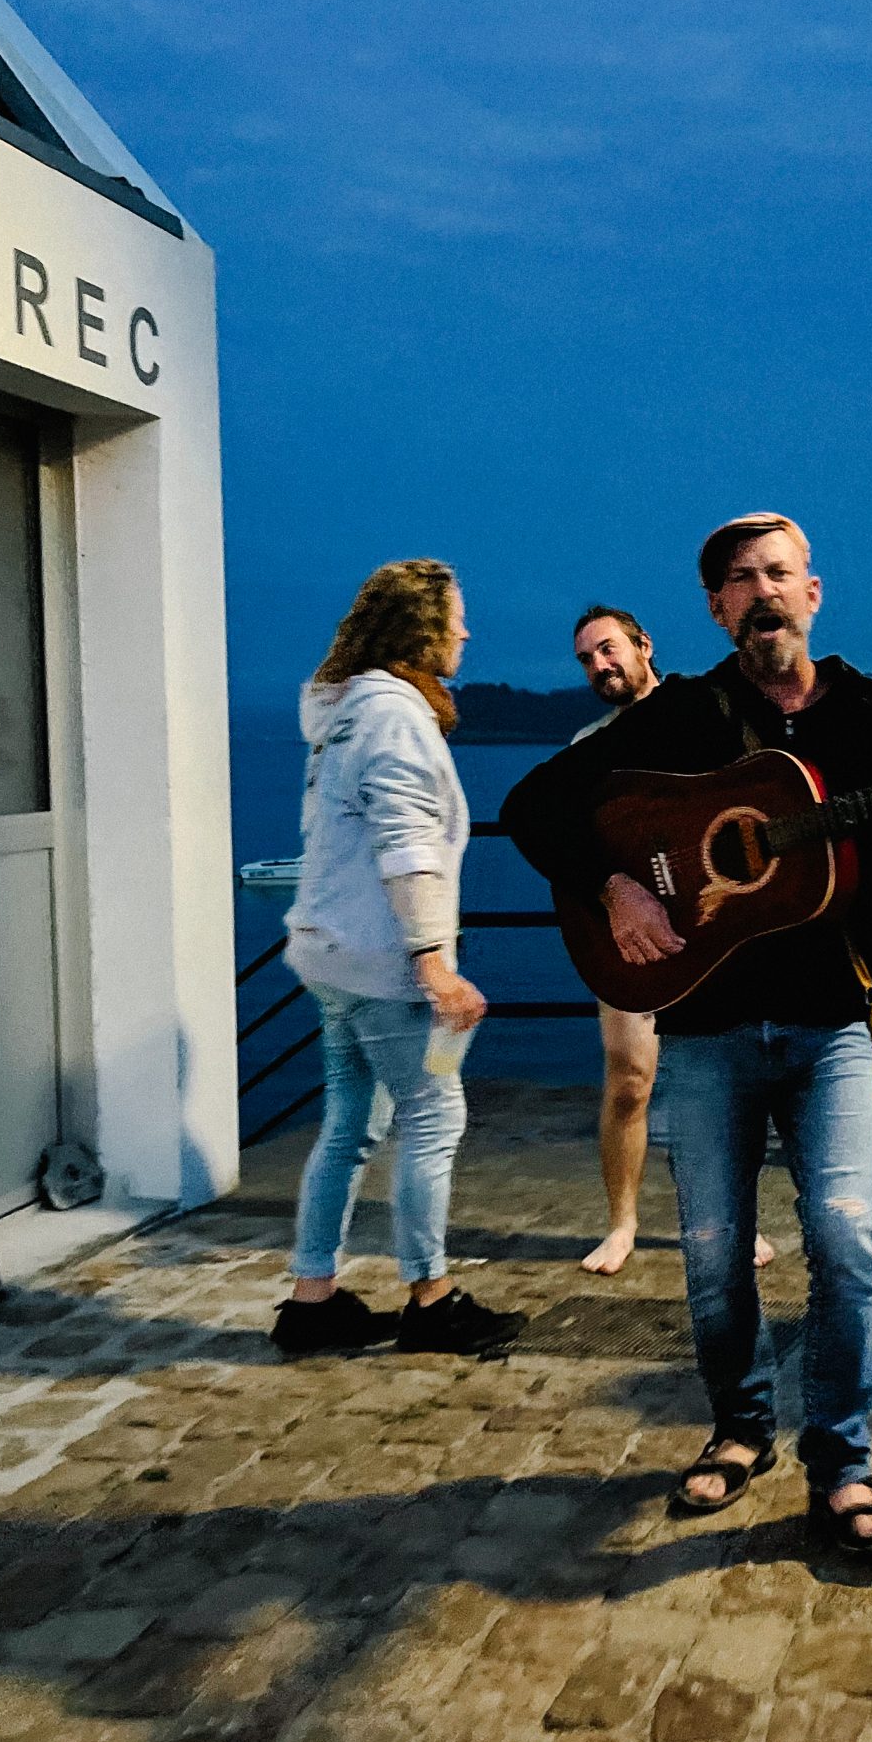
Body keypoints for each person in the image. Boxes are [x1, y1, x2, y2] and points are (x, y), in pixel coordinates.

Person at [502, 513, 872, 1548]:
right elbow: (534, 807)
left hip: (833, 1021)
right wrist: (615, 887)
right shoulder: (682, 715)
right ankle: (740, 1429)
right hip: (705, 1022)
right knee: (712, 1254)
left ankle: (843, 1464)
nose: (763, 593)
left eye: (779, 573)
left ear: (813, 592)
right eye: (740, 581)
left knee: (845, 1238)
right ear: (715, 609)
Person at [272, 559, 525, 1358]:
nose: (466, 632)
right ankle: (431, 1302)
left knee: (351, 1123)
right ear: (421, 628)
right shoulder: (394, 716)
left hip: (331, 957)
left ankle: (313, 1303)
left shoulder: (348, 714)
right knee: (433, 1116)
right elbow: (407, 843)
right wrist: (432, 961)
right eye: (455, 617)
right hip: (384, 964)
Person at [564, 603, 778, 1279]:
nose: (600, 665)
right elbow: (568, 847)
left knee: (729, 1081)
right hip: (629, 934)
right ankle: (622, 1223)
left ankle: (737, 1219)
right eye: (587, 659)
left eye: (608, 649)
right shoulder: (587, 746)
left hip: (711, 930)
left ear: (643, 645)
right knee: (630, 1081)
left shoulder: (702, 718)